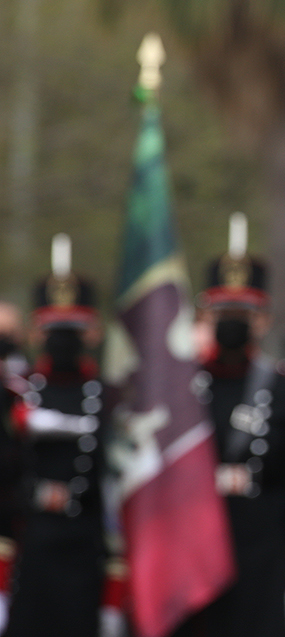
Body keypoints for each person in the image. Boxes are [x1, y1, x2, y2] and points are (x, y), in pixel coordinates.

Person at [174, 242, 285, 637]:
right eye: (223, 312)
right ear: (205, 316)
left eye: (243, 313)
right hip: (192, 554)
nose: (233, 322)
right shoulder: (180, 389)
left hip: (260, 555)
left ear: (263, 320)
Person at [3, 259, 127, 637]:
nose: (63, 338)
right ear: (35, 332)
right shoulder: (16, 393)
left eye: (73, 328)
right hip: (28, 547)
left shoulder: (110, 398)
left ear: (94, 332)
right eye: (54, 328)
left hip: (84, 550)